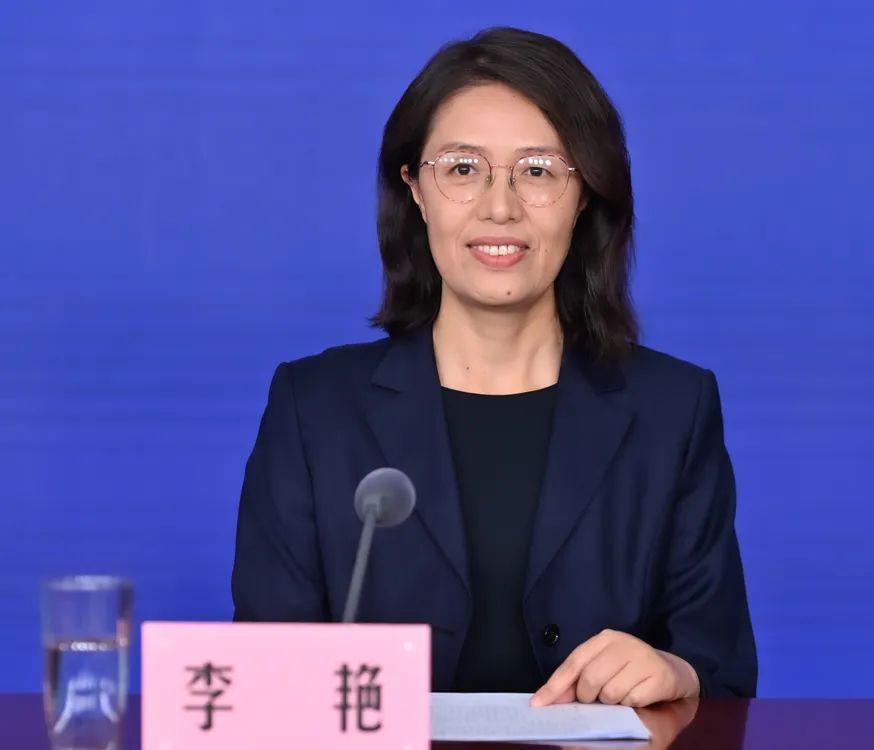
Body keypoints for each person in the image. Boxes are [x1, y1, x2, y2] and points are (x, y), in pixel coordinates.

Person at [231, 26, 757, 705]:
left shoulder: (673, 410)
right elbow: (264, 681)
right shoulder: (314, 409)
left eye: (538, 171)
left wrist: (676, 673)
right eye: (462, 169)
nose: (500, 207)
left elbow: (723, 671)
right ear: (415, 189)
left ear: (585, 195)